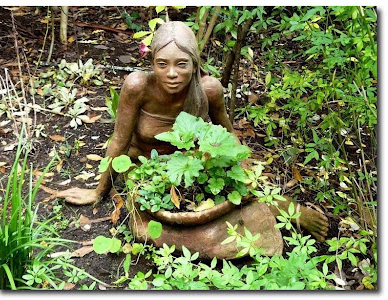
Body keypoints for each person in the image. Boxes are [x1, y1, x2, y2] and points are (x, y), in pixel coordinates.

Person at [56, 21, 328, 242]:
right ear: (152, 63)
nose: (172, 73)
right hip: (144, 167)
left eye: (181, 64)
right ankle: (217, 237)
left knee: (233, 195)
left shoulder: (209, 89)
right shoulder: (138, 86)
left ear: (195, 64)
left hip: (193, 164)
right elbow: (119, 141)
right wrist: (99, 190)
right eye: (162, 64)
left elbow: (227, 134)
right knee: (148, 226)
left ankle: (285, 209)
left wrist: (244, 171)